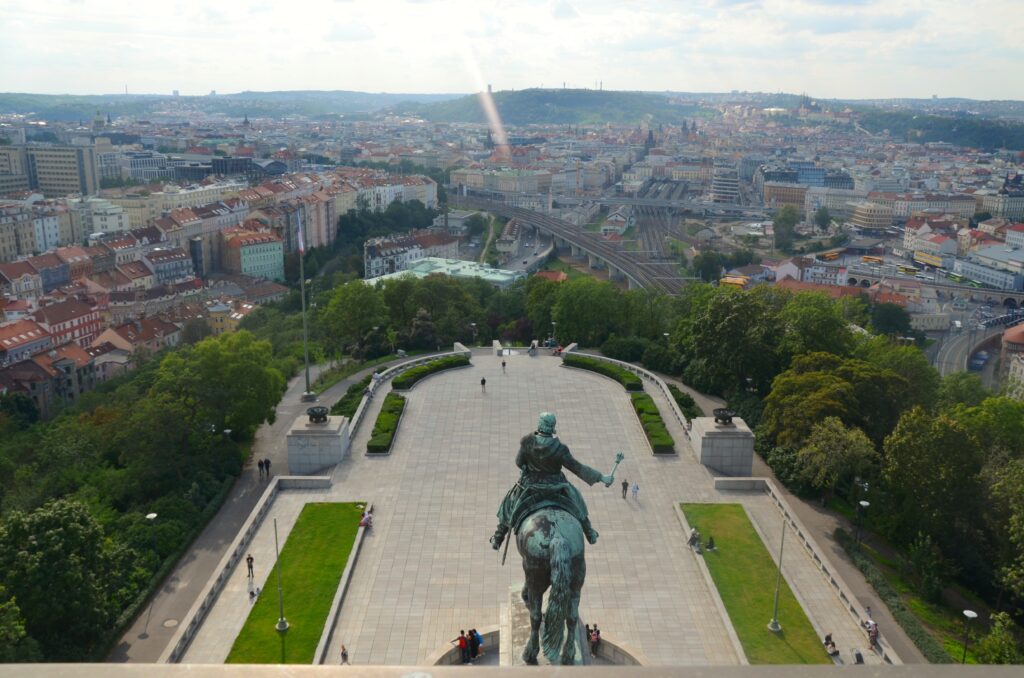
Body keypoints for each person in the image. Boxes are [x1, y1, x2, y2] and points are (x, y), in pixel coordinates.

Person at [491, 412, 613, 550]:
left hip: (531, 486)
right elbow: (577, 468)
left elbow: (519, 462)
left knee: (510, 501)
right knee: (577, 499)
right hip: (556, 486)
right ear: (553, 427)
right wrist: (601, 477)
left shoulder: (527, 443)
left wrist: (526, 467)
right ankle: (589, 531)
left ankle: (498, 536)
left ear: (540, 425)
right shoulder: (560, 448)